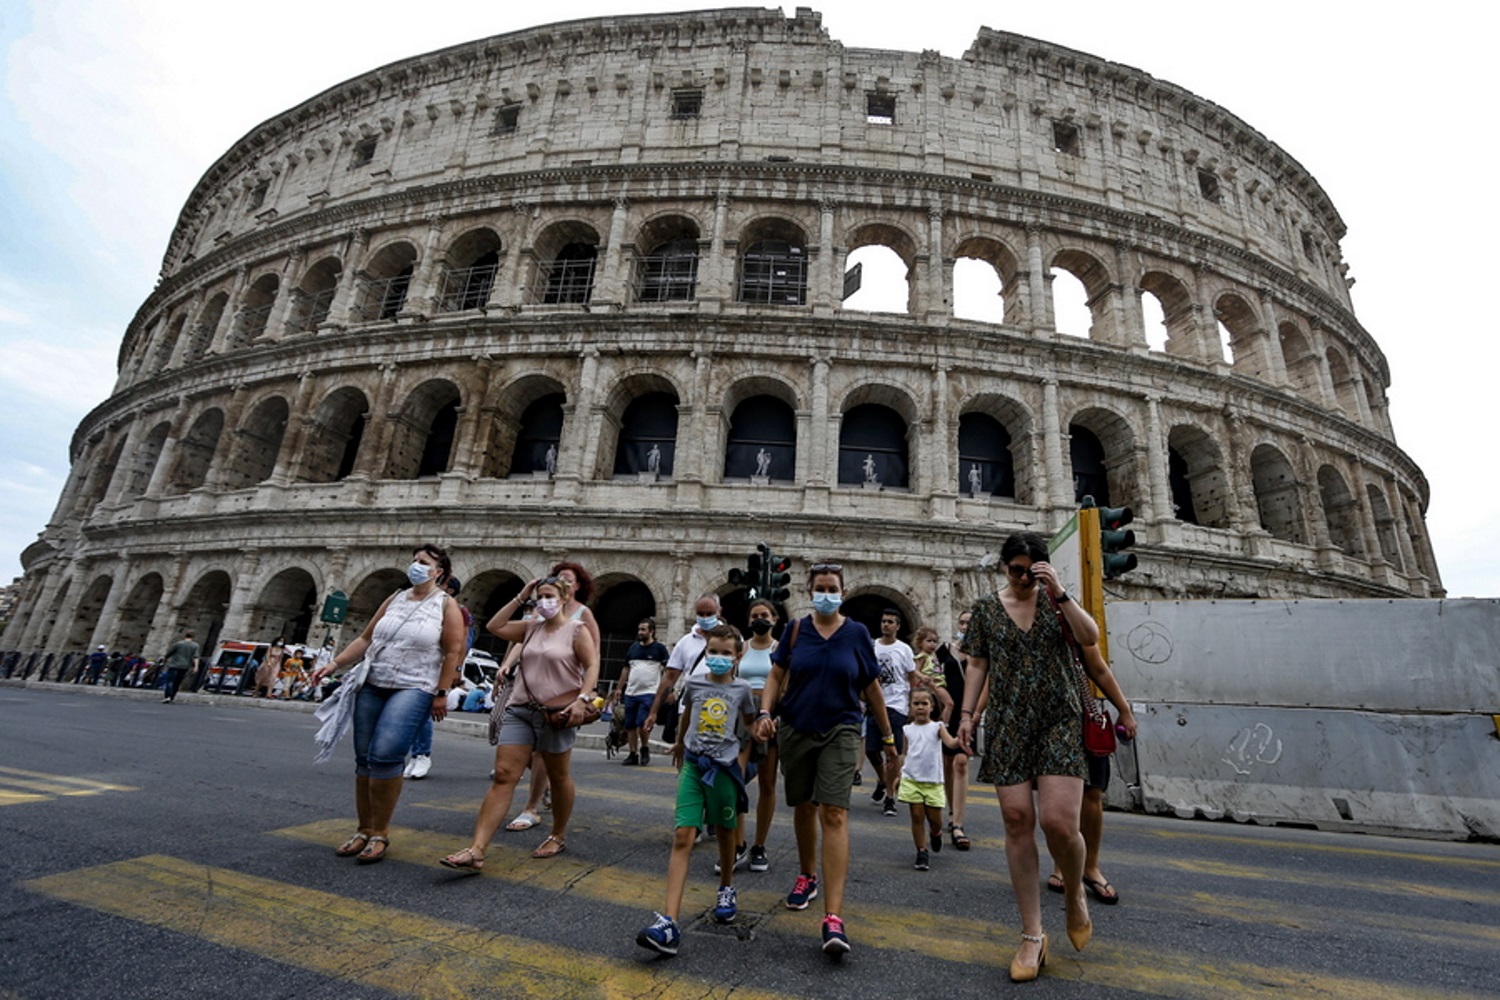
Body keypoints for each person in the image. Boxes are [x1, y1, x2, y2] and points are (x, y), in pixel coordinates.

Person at [956, 531, 1101, 983]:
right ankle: (1032, 935)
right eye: (1015, 570)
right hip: (1009, 721)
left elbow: (1090, 638)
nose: (1022, 578)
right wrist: (966, 715)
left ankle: (1074, 891)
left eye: (1030, 571)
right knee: (1017, 821)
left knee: (1060, 823)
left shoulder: (1058, 603)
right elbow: (977, 663)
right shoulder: (985, 609)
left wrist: (1058, 591)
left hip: (1059, 717)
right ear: (1004, 567)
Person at [755, 561, 896, 957]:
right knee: (803, 805)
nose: (827, 593)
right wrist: (766, 713)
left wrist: (887, 739)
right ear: (810, 590)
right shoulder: (796, 630)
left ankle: (834, 917)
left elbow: (871, 689)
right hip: (796, 727)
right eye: (820, 587)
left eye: (833, 587)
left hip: (842, 728)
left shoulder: (856, 634)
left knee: (833, 812)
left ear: (843, 591)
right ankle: (807, 875)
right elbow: (775, 674)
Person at [308, 543, 466, 864]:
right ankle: (363, 829)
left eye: (422, 562)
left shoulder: (446, 605)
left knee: (386, 753)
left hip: (414, 686)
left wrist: (441, 693)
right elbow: (366, 639)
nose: (415, 566)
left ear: (439, 572)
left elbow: (453, 651)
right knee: (364, 758)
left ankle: (380, 832)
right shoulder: (394, 598)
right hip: (373, 682)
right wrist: (334, 664)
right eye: (414, 561)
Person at [440, 573, 600, 870]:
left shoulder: (577, 630)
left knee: (559, 775)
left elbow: (592, 666)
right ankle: (477, 849)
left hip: (557, 713)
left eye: (550, 596)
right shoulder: (530, 628)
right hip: (520, 708)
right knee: (504, 775)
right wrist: (521, 595)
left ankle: (558, 834)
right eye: (540, 597)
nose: (544, 602)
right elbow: (494, 626)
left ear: (565, 598)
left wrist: (583, 699)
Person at [636, 624, 758, 955]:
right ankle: (669, 923)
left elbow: (748, 727)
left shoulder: (743, 689)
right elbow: (688, 715)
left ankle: (726, 888)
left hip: (723, 769)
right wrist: (678, 745)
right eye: (713, 652)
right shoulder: (694, 683)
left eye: (725, 653)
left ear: (737, 655)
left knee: (724, 834)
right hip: (693, 764)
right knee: (683, 836)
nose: (718, 658)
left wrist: (754, 743)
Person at [499, 562, 601, 831]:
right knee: (522, 760)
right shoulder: (536, 620)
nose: (562, 582)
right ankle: (538, 794)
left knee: (548, 757)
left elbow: (593, 655)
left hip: (559, 696)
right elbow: (521, 640)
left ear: (575, 588)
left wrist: (586, 695)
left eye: (567, 580)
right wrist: (507, 662)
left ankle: (532, 807)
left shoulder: (581, 616)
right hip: (527, 689)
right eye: (558, 578)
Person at [1046, 640, 1138, 904]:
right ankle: (1061, 864)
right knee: (1059, 801)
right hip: (1049, 726)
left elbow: (1099, 670)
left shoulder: (1074, 625)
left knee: (1093, 794)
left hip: (1086, 721)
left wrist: (1124, 710)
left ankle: (1090, 867)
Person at [406, 575, 473, 779]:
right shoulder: (427, 606)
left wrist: (456, 668)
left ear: (450, 590)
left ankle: (422, 755)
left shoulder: (459, 611)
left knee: (424, 710)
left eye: (440, 583)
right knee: (414, 710)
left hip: (440, 666)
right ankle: (416, 755)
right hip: (419, 663)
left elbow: (462, 643)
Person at [643, 593, 721, 745]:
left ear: (719, 612)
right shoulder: (686, 642)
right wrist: (653, 711)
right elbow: (669, 678)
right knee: (685, 758)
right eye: (700, 614)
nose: (705, 618)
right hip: (688, 710)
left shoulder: (732, 639)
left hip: (720, 709)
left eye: (709, 614)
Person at [898, 688, 962, 870]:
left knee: (935, 819)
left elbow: (950, 742)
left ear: (932, 707)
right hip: (912, 779)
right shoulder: (907, 730)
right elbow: (904, 755)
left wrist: (960, 740)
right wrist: (898, 776)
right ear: (910, 707)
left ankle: (936, 833)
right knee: (916, 816)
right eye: (916, 704)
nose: (920, 707)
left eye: (924, 703)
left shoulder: (937, 727)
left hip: (933, 781)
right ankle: (921, 851)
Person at [740, 598, 781, 873]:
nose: (759, 619)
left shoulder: (781, 649)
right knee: (736, 781)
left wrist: (773, 717)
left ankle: (759, 845)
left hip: (770, 715)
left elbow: (783, 684)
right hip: (743, 716)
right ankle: (737, 842)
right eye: (755, 615)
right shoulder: (740, 648)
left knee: (767, 784)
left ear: (775, 619)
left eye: (764, 615)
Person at [869, 608, 916, 817]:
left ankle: (889, 796)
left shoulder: (904, 649)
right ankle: (882, 779)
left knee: (893, 753)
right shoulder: (872, 647)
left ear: (897, 626)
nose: (885, 625)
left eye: (890, 622)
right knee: (871, 750)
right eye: (883, 621)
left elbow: (911, 677)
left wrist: (912, 704)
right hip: (874, 704)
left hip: (897, 705)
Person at [613, 617, 668, 766]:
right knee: (630, 725)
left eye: (643, 630)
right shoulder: (633, 648)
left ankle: (644, 748)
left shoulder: (660, 649)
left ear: (652, 632)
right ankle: (633, 753)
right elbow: (626, 669)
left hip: (649, 692)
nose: (640, 632)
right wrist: (619, 688)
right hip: (631, 692)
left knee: (642, 722)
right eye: (639, 629)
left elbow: (667, 672)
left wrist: (668, 690)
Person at [939, 610, 973, 850]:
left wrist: (976, 714)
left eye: (969, 623)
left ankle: (958, 823)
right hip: (948, 713)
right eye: (961, 622)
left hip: (968, 714)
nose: (964, 626)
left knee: (961, 763)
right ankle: (952, 812)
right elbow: (930, 676)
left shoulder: (983, 653)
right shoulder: (944, 650)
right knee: (948, 765)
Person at [159, 630, 200, 704]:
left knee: (170, 681)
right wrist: (196, 666)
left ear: (185, 635)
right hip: (185, 666)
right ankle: (172, 697)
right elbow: (196, 657)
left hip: (174, 665)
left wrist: (164, 659)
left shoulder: (178, 644)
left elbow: (169, 653)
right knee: (177, 682)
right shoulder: (195, 645)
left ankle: (167, 696)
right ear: (193, 637)